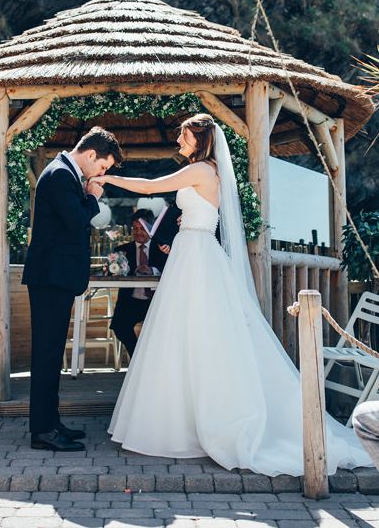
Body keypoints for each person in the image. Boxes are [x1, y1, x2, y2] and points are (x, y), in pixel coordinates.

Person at [91, 113, 371, 475]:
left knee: (194, 332)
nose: (179, 140)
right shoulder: (207, 171)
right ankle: (186, 418)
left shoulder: (202, 171)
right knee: (186, 333)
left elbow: (149, 187)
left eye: (184, 135)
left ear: (201, 138)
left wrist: (107, 177)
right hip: (195, 250)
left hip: (195, 253)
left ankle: (194, 422)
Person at [22, 126, 123, 451]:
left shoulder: (63, 172)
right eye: (103, 167)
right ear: (91, 154)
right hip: (51, 278)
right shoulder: (60, 175)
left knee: (52, 355)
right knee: (47, 355)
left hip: (56, 278)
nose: (101, 173)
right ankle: (43, 432)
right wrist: (93, 197)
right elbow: (77, 220)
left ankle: (51, 423)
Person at [109, 209, 171, 357]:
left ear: (151, 228)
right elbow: (113, 272)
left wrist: (152, 270)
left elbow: (170, 268)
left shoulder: (163, 248)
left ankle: (155, 361)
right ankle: (138, 358)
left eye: (142, 228)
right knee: (120, 326)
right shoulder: (121, 251)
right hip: (131, 301)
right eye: (135, 228)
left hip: (156, 302)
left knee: (164, 329)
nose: (138, 232)